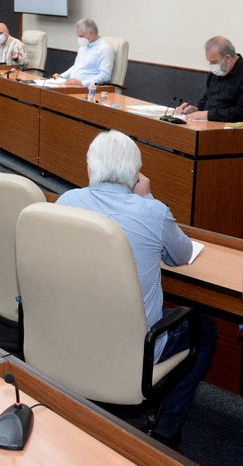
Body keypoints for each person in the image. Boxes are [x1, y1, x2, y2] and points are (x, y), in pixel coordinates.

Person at [56, 130, 217, 447]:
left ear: (89, 170)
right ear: (135, 175)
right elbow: (182, 255)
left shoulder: (65, 202)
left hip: (70, 335)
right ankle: (166, 430)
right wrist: (149, 197)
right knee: (205, 328)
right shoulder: (153, 212)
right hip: (135, 349)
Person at [175, 36, 243, 122]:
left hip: (238, 129)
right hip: (212, 123)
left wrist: (208, 115)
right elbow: (207, 98)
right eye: (210, 62)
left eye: (214, 62)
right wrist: (195, 109)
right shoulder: (218, 72)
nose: (212, 66)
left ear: (227, 58)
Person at [52, 18, 114, 86]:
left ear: (91, 33)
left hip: (89, 89)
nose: (79, 39)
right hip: (72, 86)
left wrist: (82, 83)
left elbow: (105, 76)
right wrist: (61, 76)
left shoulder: (105, 49)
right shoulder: (83, 47)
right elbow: (76, 67)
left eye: (81, 36)